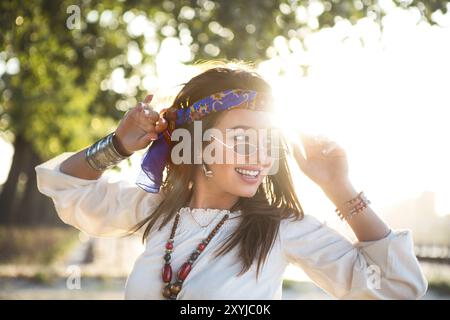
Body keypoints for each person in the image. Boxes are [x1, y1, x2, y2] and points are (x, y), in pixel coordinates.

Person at [35, 63, 427, 300]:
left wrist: (338, 187)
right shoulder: (156, 209)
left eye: (267, 140)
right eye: (241, 138)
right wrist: (117, 145)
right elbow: (67, 187)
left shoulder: (280, 229)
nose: (259, 155)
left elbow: (397, 286)